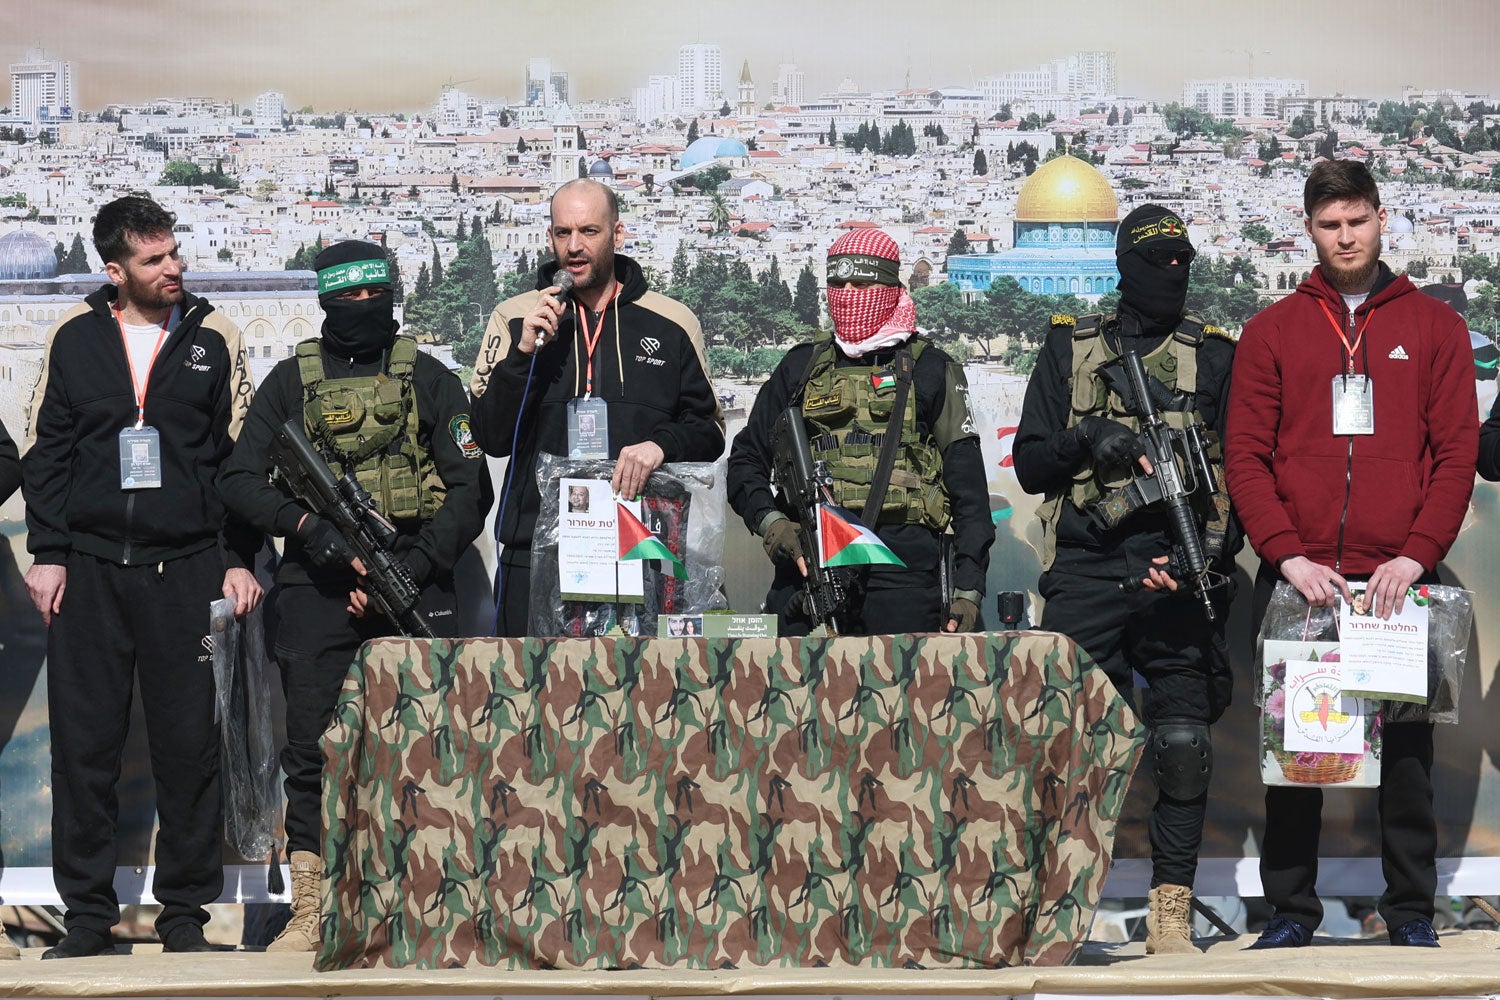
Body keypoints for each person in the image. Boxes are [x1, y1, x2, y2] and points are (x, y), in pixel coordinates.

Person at [1227, 160, 1477, 949]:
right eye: (1330, 225)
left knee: (1406, 757)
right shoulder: (1272, 331)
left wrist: (1415, 556)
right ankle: (1291, 913)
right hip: (1303, 578)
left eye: (1357, 221)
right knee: (1299, 754)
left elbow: (1455, 454)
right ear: (1308, 228)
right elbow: (1246, 457)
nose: (1345, 237)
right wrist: (1287, 556)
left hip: (1396, 580)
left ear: (1381, 219)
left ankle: (1410, 912)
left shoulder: (1435, 328)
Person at [218, 240, 489, 952]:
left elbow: (471, 487)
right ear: (326, 302)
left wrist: (414, 562)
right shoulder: (289, 383)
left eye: (375, 297)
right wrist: (308, 529)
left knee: (425, 740)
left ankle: (428, 899)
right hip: (315, 587)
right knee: (310, 749)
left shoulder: (430, 379)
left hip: (413, 582)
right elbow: (239, 481)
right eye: (348, 299)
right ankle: (311, 908)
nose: (363, 310)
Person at [22, 195, 263, 958]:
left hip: (187, 569)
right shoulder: (73, 336)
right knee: (83, 752)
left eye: (174, 253)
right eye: (154, 259)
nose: (173, 268)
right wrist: (49, 552)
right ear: (115, 269)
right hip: (90, 569)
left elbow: (239, 462)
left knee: (189, 749)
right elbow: (46, 451)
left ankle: (185, 916)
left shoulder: (215, 336)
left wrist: (236, 557)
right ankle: (87, 918)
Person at [1011, 204, 1237, 954]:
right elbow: (1031, 464)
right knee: (1071, 747)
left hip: (1176, 568)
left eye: (1182, 262)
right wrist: (1089, 437)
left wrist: (1206, 559)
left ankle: (1170, 910)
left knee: (1182, 744)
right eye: (1156, 262)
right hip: (1087, 566)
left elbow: (1239, 481)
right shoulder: (1069, 348)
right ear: (1123, 268)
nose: (1172, 274)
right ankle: (1065, 909)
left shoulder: (1215, 357)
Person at [470, 178, 723, 635]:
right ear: (549, 237)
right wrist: (523, 353)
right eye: (562, 233)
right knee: (532, 683)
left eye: (589, 231)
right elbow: (490, 436)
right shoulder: (514, 317)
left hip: (642, 551)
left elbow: (710, 432)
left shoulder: (672, 322)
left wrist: (660, 446)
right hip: (536, 553)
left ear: (617, 233)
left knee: (637, 683)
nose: (574, 247)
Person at [727, 228, 991, 635]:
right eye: (837, 284)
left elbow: (969, 491)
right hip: (811, 565)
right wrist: (774, 524)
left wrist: (969, 591)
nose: (848, 295)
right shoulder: (801, 368)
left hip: (903, 574)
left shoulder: (931, 369)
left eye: (861, 285)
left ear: (890, 288)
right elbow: (745, 461)